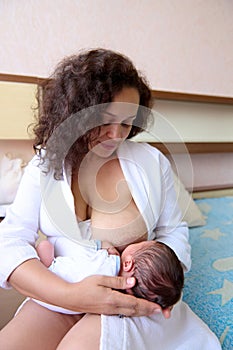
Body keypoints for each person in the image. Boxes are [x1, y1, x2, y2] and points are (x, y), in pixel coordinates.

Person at [0, 48, 221, 350]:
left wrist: (151, 279)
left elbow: (173, 231)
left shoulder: (151, 162)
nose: (116, 134)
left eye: (128, 122)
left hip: (131, 295)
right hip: (63, 286)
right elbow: (9, 240)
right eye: (104, 120)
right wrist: (70, 295)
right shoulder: (45, 165)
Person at [33, 238, 184, 313]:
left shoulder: (109, 260)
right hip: (62, 306)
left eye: (142, 243)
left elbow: (82, 247)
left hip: (48, 280)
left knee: (47, 245)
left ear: (127, 264)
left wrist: (104, 246)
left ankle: (47, 263)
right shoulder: (116, 296)